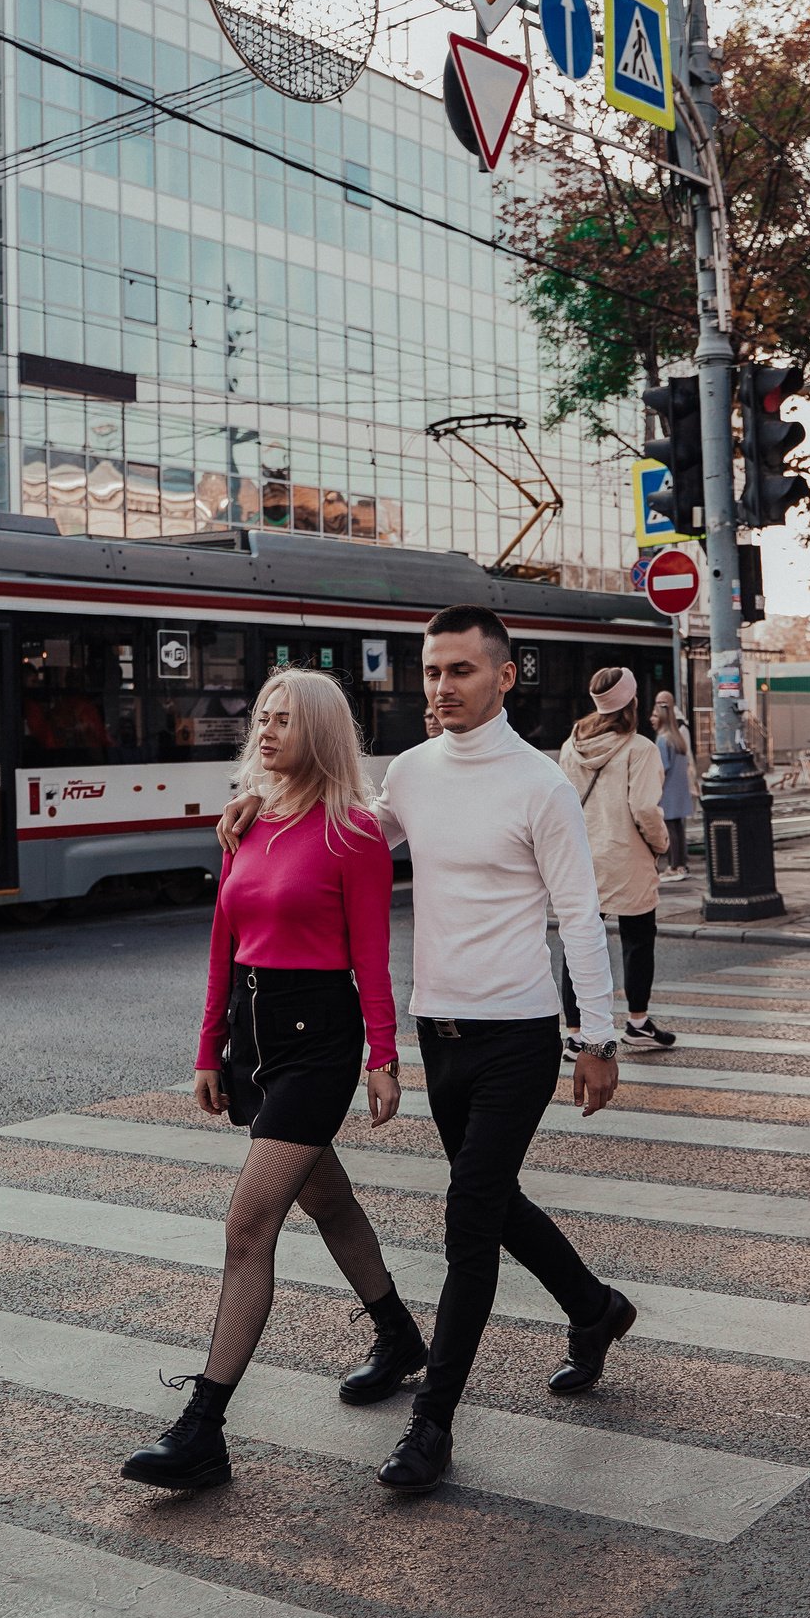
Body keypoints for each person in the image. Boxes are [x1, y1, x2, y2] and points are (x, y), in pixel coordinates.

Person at [219, 604, 633, 1498]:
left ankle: (433, 1421)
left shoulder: (541, 786)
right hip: (437, 1032)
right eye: (432, 671)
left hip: (518, 1035)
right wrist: (265, 803)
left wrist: (595, 1037)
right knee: (495, 1203)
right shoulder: (406, 774)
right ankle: (596, 1309)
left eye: (460, 671)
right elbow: (340, 836)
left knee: (468, 1220)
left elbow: (579, 920)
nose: (440, 688)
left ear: (505, 676)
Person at [122, 668, 413, 1492]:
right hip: (254, 1032)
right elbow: (223, 939)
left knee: (249, 1223)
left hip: (317, 1037)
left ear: (318, 731)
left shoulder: (354, 833)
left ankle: (204, 1427)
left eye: (284, 720)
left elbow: (372, 957)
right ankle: (398, 1333)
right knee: (326, 1197)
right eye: (262, 717)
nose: (265, 731)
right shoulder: (246, 823)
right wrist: (207, 1049)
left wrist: (384, 1058)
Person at [558, 667, 676, 1052]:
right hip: (625, 858)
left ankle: (575, 1035)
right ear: (631, 701)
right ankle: (638, 1023)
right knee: (638, 940)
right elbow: (644, 808)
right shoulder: (639, 748)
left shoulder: (571, 745)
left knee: (579, 941)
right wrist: (660, 844)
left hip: (581, 857)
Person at [651, 689, 692, 881]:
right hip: (680, 789)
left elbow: (662, 767)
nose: (652, 719)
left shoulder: (662, 739)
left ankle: (674, 865)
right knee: (678, 828)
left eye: (655, 715)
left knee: (670, 828)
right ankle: (681, 864)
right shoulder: (678, 737)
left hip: (668, 790)